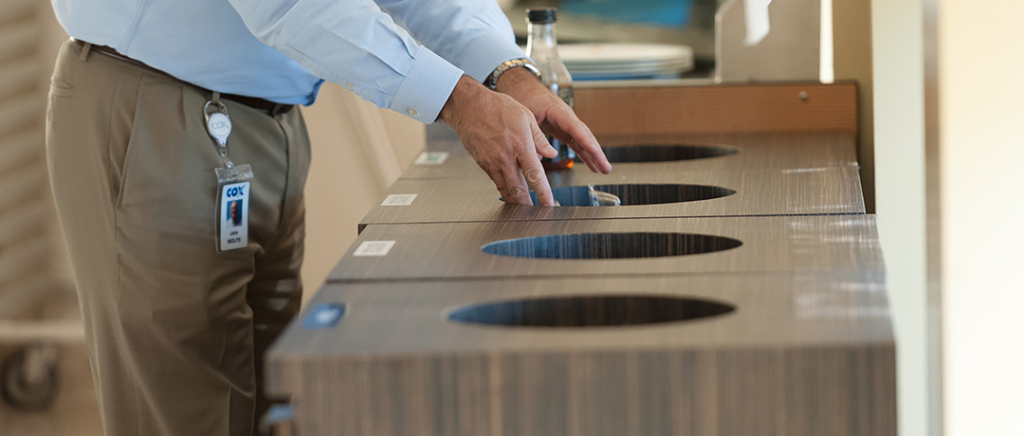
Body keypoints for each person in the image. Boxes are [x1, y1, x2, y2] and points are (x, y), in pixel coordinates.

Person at [45, 0, 612, 435]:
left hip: (267, 121)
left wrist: (507, 69)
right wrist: (459, 100)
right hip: (160, 106)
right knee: (193, 409)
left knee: (274, 398)